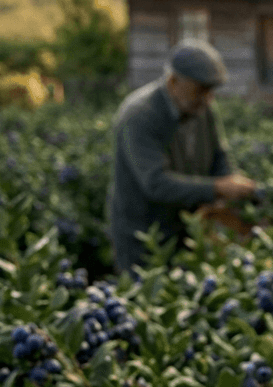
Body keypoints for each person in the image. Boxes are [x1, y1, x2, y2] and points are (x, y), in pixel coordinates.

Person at [107, 39, 256, 275]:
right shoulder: (139, 116)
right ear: (173, 81)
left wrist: (229, 183)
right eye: (201, 89)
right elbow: (155, 184)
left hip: (185, 231)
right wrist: (217, 188)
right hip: (144, 238)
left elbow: (219, 155)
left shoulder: (200, 108)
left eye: (211, 91)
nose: (207, 100)